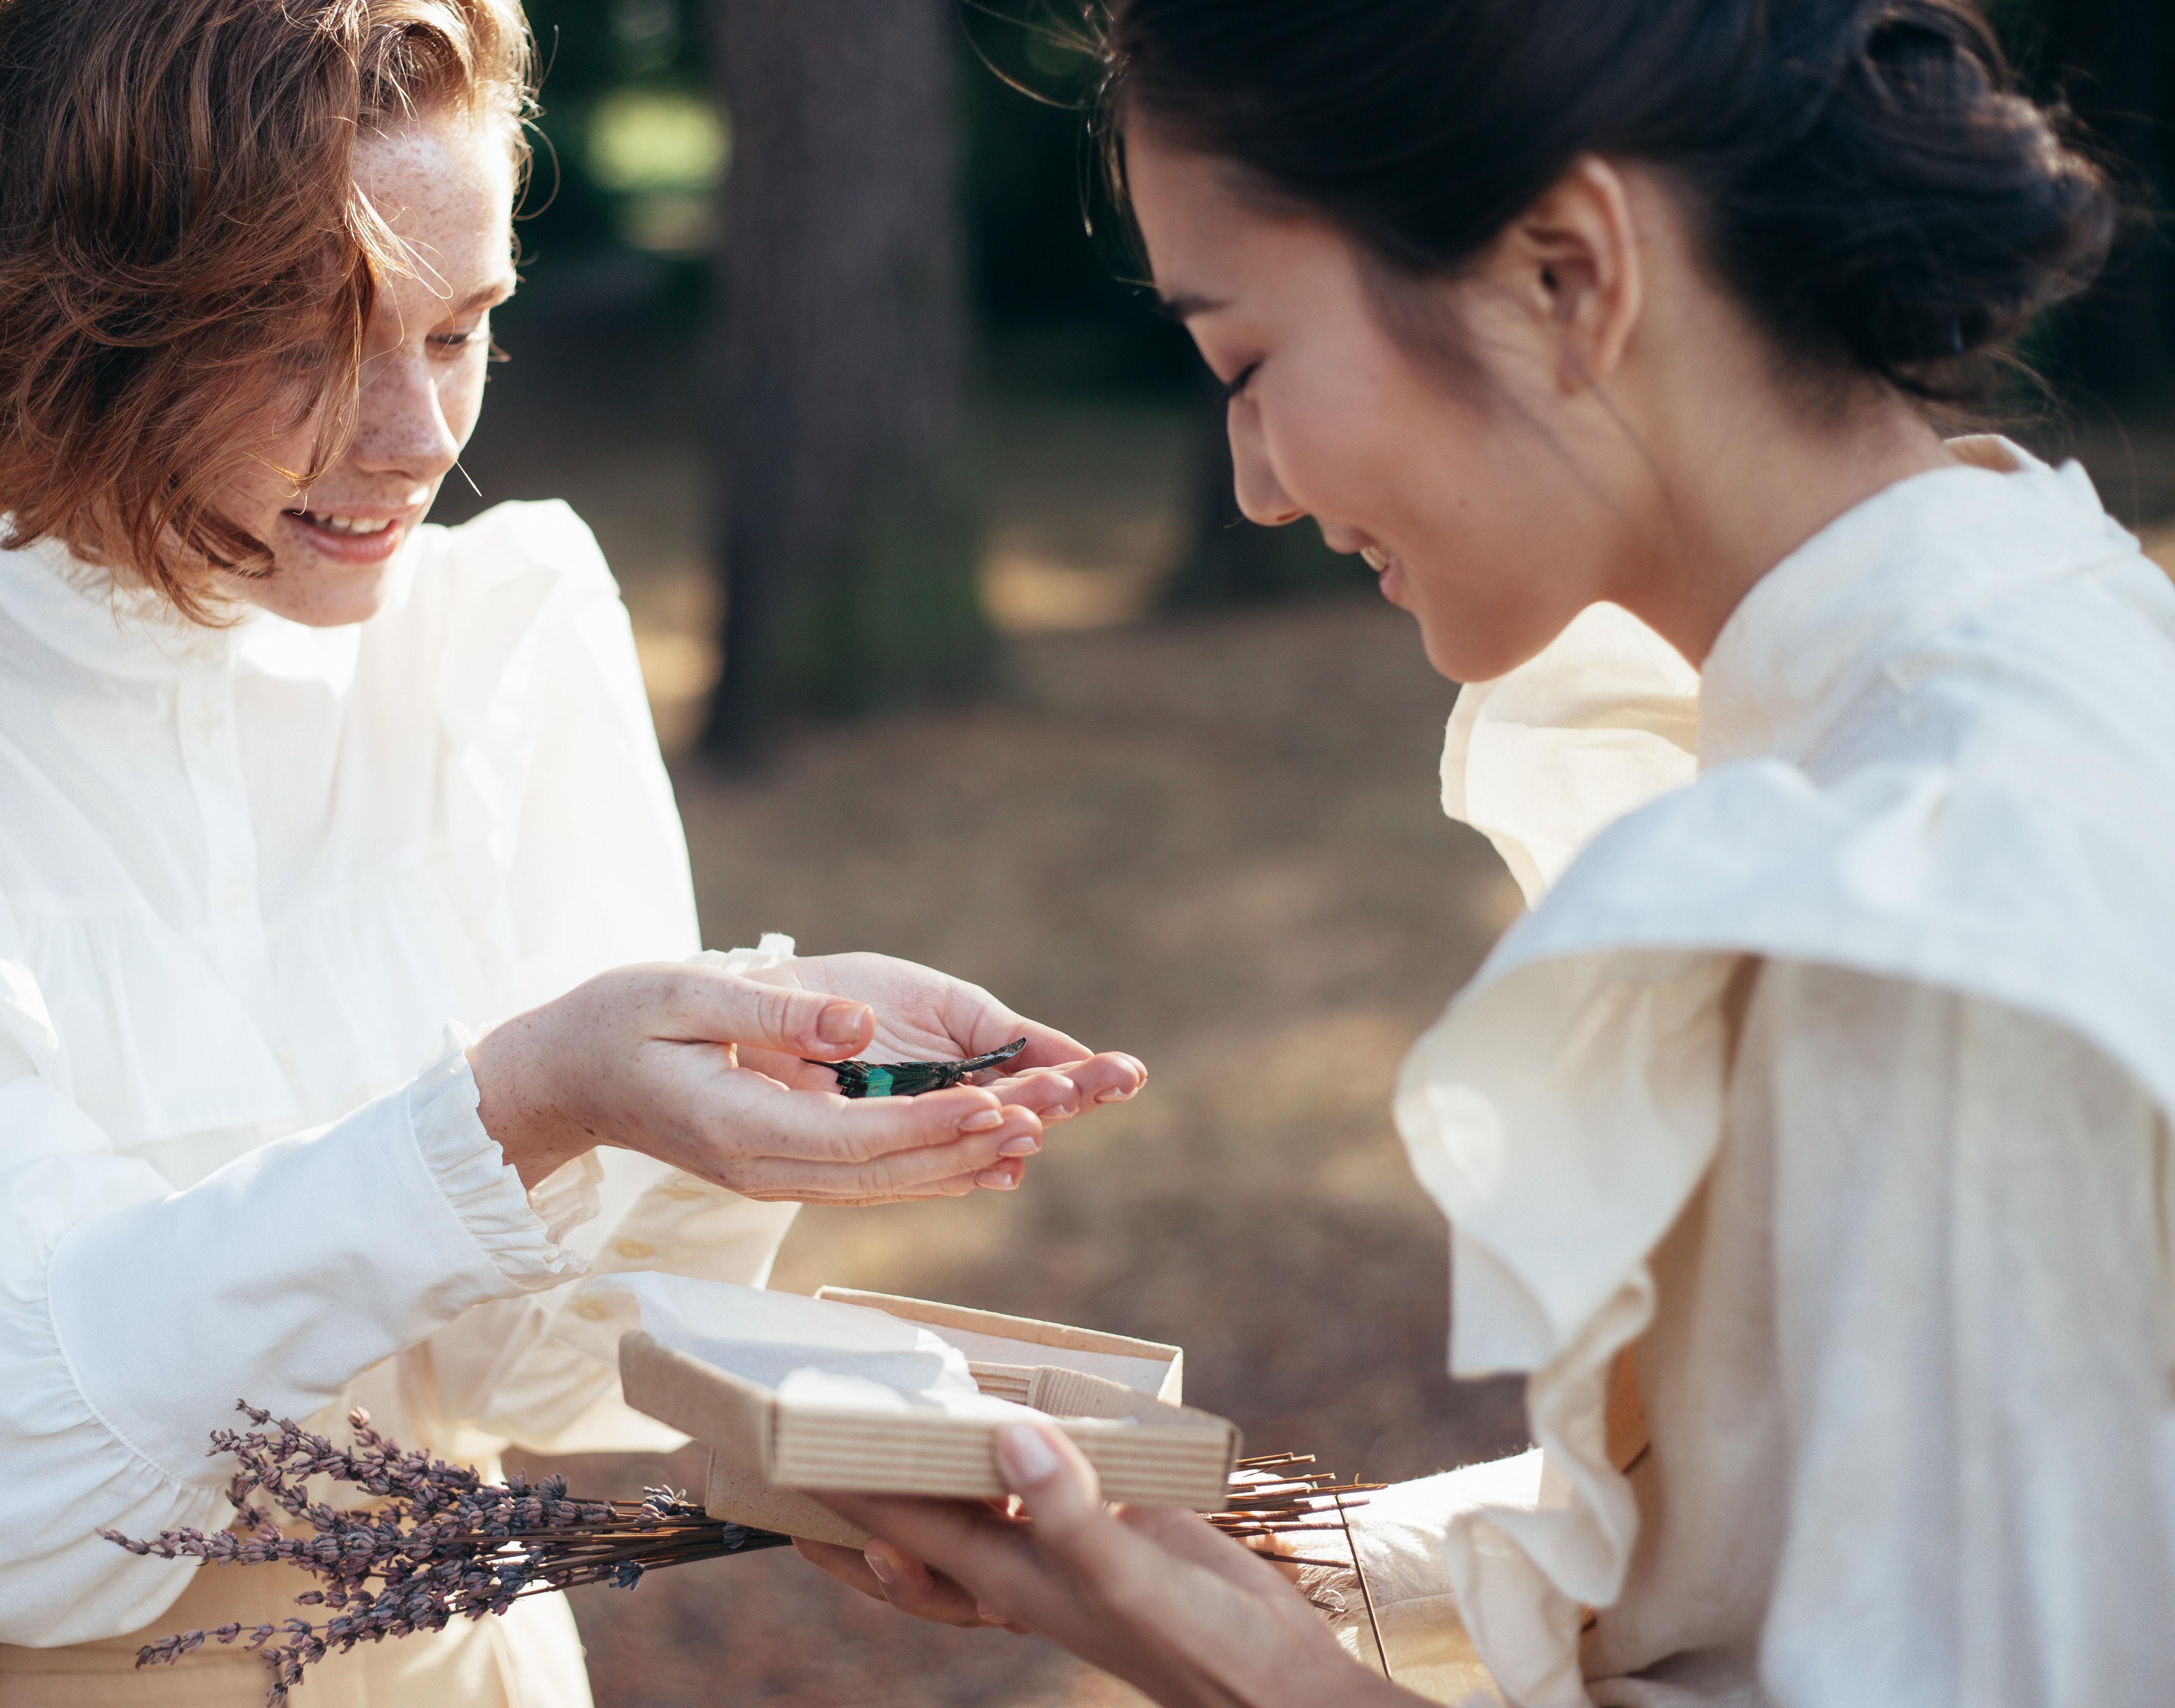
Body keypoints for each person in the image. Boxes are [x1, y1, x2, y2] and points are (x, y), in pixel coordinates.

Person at [0, 3, 1146, 1705]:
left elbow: (547, 1385)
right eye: (317, 340)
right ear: (83, 314)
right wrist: (513, 1105)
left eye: (462, 328)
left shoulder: (497, 652)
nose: (420, 439)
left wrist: (714, 1092)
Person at [794, 1, 2175, 1704]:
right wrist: (1230, 1563)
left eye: (1248, 364)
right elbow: (1797, 1535)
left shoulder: (1926, 895)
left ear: (1568, 275)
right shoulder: (2000, 672)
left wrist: (1228, 1661)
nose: (1257, 491)